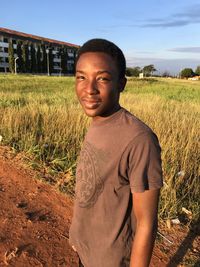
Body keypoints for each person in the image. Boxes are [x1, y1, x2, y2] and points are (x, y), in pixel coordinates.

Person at [69, 39, 163, 267]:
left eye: (102, 78)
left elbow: (146, 223)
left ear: (121, 83)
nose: (89, 89)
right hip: (86, 250)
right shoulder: (97, 120)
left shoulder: (139, 140)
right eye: (81, 77)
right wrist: (78, 235)